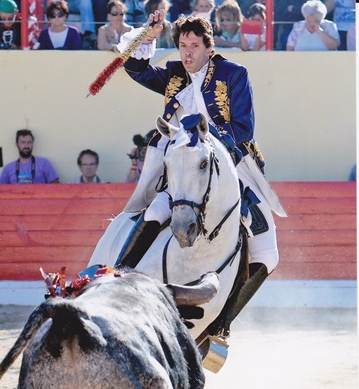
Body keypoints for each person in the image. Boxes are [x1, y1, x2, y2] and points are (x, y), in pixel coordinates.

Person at [116, 12, 286, 339]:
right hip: (185, 169)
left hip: (232, 165)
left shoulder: (234, 74)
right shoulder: (174, 74)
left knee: (267, 253)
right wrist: (147, 37)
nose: (188, 52)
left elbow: (243, 129)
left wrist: (207, 143)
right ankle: (116, 275)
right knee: (155, 210)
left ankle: (221, 325)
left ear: (210, 48)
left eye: (194, 45)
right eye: (183, 45)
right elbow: (135, 68)